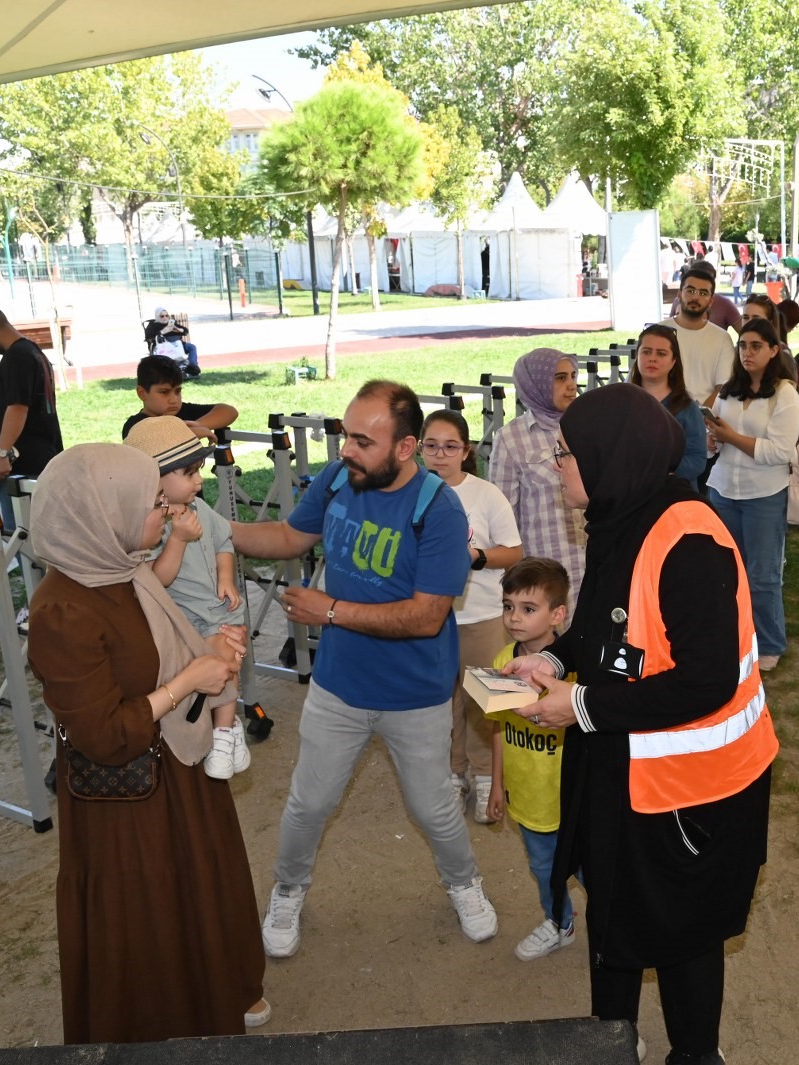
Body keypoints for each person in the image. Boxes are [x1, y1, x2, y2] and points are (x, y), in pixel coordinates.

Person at [502, 382, 778, 1065]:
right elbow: (602, 623)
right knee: (614, 914)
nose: (557, 465)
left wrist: (582, 705)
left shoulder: (689, 538)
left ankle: (694, 1053)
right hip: (628, 773)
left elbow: (706, 679)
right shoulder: (620, 514)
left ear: (607, 454)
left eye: (565, 453)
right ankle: (609, 1042)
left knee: (685, 934)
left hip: (694, 790)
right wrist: (552, 658)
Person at [232, 380, 498, 957]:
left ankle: (464, 883)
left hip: (417, 694)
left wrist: (329, 611)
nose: (345, 450)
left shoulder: (440, 510)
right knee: (309, 802)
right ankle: (288, 889)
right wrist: (214, 532)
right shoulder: (336, 480)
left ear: (405, 448)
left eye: (361, 440)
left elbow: (428, 618)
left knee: (433, 807)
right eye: (346, 434)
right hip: (339, 688)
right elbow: (286, 535)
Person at [26, 442, 265, 1043]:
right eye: (153, 504)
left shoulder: (122, 567)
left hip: (173, 772)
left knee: (195, 899)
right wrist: (189, 680)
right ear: (102, 514)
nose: (164, 515)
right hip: (126, 805)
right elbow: (102, 736)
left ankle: (212, 1006)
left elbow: (162, 650)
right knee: (153, 914)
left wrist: (206, 655)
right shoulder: (63, 610)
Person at [123, 416, 250, 780]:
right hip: (185, 620)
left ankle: (226, 732)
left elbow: (224, 542)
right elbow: (156, 580)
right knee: (220, 662)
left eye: (199, 471)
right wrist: (176, 539)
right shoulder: (155, 525)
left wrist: (226, 578)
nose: (198, 481)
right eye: (188, 473)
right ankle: (224, 732)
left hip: (216, 609)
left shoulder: (201, 511)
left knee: (229, 659)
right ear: (155, 481)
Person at [420, 408, 523, 824]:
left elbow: (514, 552)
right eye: (431, 446)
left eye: (450, 447)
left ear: (466, 451)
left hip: (481, 616)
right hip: (431, 618)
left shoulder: (486, 494)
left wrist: (476, 557)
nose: (440, 455)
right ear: (418, 449)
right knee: (442, 704)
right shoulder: (411, 492)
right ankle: (452, 772)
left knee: (487, 703)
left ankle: (487, 777)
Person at [485, 557, 578, 961]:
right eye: (508, 607)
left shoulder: (574, 669)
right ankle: (560, 922)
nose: (514, 618)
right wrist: (496, 782)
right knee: (544, 869)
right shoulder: (503, 662)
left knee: (593, 868)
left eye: (528, 608)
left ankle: (619, 923)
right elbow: (499, 727)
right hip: (528, 797)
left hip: (573, 797)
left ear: (558, 614)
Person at [705, 318, 799, 670]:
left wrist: (730, 437)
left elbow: (778, 452)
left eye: (756, 346)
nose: (747, 352)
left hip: (764, 493)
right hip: (723, 490)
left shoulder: (785, 394)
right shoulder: (727, 391)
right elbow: (713, 441)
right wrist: (713, 439)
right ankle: (733, 637)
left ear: (774, 350)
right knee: (726, 572)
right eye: (743, 345)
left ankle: (770, 643)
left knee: (762, 575)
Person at [489, 349, 586, 604]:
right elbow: (502, 518)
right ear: (536, 384)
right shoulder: (511, 438)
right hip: (545, 575)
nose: (571, 385)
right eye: (560, 378)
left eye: (574, 376)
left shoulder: (586, 425)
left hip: (591, 565)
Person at [0, 304, 65, 532]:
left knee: (25, 538)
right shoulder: (32, 351)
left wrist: (1, 453)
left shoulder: (17, 357)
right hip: (41, 459)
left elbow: (18, 408)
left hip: (24, 466)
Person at [629, 324, 708, 483]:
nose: (652, 358)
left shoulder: (687, 408)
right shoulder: (622, 402)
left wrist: (658, 469)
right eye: (646, 352)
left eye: (661, 353)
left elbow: (697, 461)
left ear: (673, 361)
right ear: (637, 356)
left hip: (673, 497)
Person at [121, 355, 239, 440]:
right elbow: (159, 440)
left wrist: (198, 425)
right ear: (142, 393)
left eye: (177, 391)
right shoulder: (134, 426)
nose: (174, 399)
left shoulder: (183, 413)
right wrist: (189, 432)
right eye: (164, 392)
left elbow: (228, 411)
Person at [668, 261, 737, 404]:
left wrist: (696, 417)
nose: (696, 297)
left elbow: (722, 388)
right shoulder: (658, 332)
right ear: (679, 295)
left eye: (703, 293)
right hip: (663, 416)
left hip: (705, 420)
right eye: (690, 291)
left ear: (711, 301)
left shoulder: (722, 338)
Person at [145, 306, 200, 378]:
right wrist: (163, 331)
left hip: (178, 344)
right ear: (157, 316)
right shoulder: (153, 326)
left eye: (166, 315)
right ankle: (179, 369)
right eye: (162, 316)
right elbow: (149, 337)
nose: (165, 317)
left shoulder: (172, 323)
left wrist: (179, 330)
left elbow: (186, 331)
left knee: (192, 347)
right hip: (164, 347)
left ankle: (192, 367)